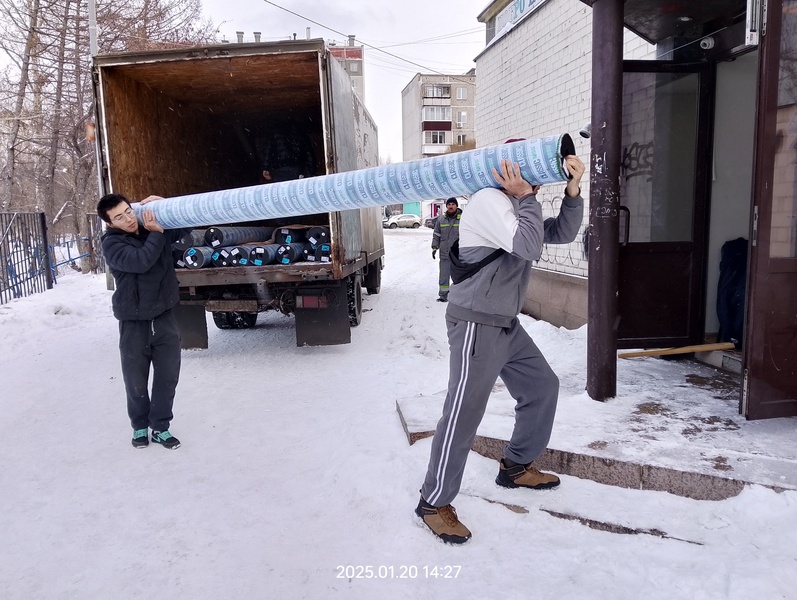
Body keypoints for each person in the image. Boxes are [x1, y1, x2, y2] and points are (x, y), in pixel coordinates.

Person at [415, 152, 586, 544]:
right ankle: (433, 502)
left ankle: (515, 465)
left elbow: (558, 233)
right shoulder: (489, 201)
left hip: (504, 322)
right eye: (531, 173)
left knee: (542, 387)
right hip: (476, 322)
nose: (538, 182)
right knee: (463, 412)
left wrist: (572, 193)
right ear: (511, 172)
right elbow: (528, 245)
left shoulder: (513, 204)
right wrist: (527, 196)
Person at [97, 193, 189, 450]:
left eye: (127, 211)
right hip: (133, 322)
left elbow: (186, 225)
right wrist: (157, 233)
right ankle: (139, 426)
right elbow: (141, 261)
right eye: (119, 217)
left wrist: (167, 205)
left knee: (168, 376)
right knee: (135, 378)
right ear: (110, 223)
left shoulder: (151, 227)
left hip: (164, 316)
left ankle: (160, 427)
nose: (127, 218)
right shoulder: (112, 244)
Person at [431, 198, 462, 302]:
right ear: (446, 206)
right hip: (445, 253)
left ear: (456, 206)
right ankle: (443, 295)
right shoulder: (441, 220)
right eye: (449, 204)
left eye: (453, 204)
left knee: (459, 276)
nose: (451, 206)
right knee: (444, 276)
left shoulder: (463, 219)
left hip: (459, 253)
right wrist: (435, 247)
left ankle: (459, 296)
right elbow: (436, 234)